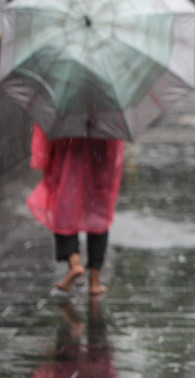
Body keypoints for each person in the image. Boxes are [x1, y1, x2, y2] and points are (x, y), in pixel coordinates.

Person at [27, 125, 124, 295]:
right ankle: (94, 281)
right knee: (99, 217)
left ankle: (74, 261)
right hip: (99, 159)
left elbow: (45, 133)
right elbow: (116, 145)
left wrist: (43, 158)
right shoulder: (107, 112)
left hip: (68, 157)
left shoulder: (64, 110)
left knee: (64, 211)